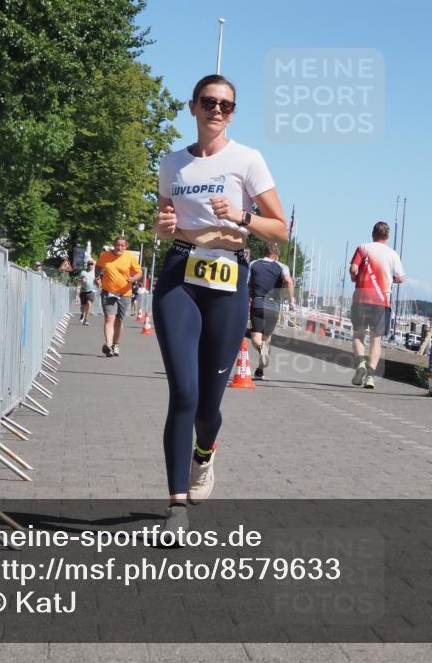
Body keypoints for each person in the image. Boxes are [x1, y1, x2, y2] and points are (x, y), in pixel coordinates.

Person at [153, 74, 287, 532]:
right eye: (209, 102)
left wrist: (243, 217)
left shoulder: (247, 160)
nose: (217, 110)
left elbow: (282, 228)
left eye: (226, 105)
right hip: (180, 274)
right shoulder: (172, 164)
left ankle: (204, 455)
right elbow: (165, 218)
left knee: (209, 404)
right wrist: (163, 226)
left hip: (230, 276)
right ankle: (176, 508)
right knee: (183, 393)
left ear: (232, 113)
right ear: (192, 107)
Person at [349, 221, 404, 390]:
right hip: (381, 300)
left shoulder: (363, 248)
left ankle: (360, 364)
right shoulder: (392, 254)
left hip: (361, 297)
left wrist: (355, 278)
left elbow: (353, 269)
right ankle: (370, 377)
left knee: (358, 335)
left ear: (372, 234)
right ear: (387, 237)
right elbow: (401, 278)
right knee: (376, 340)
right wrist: (390, 279)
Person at [248, 242, 295, 379]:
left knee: (256, 339)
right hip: (273, 306)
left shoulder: (254, 264)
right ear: (276, 256)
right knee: (266, 339)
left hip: (257, 303)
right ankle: (260, 370)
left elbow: (245, 283)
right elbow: (289, 281)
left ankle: (260, 363)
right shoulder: (282, 267)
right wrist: (291, 300)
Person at [96, 237, 143, 357]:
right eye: (117, 245)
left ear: (126, 247)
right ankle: (108, 345)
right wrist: (97, 277)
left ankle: (116, 344)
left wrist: (133, 278)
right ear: (113, 245)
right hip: (108, 291)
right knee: (109, 318)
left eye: (122, 245)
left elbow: (139, 272)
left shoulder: (130, 257)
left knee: (119, 320)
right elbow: (98, 266)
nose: (119, 247)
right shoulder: (105, 255)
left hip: (124, 293)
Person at [77, 259, 97, 325]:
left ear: (93, 266)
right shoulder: (83, 272)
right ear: (87, 265)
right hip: (83, 290)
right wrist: (81, 280)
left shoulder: (95, 273)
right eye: (89, 264)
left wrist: (98, 282)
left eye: (92, 264)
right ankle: (82, 314)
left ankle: (86, 319)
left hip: (92, 291)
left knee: (89, 304)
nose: (90, 266)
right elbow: (77, 279)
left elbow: (99, 281)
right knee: (83, 306)